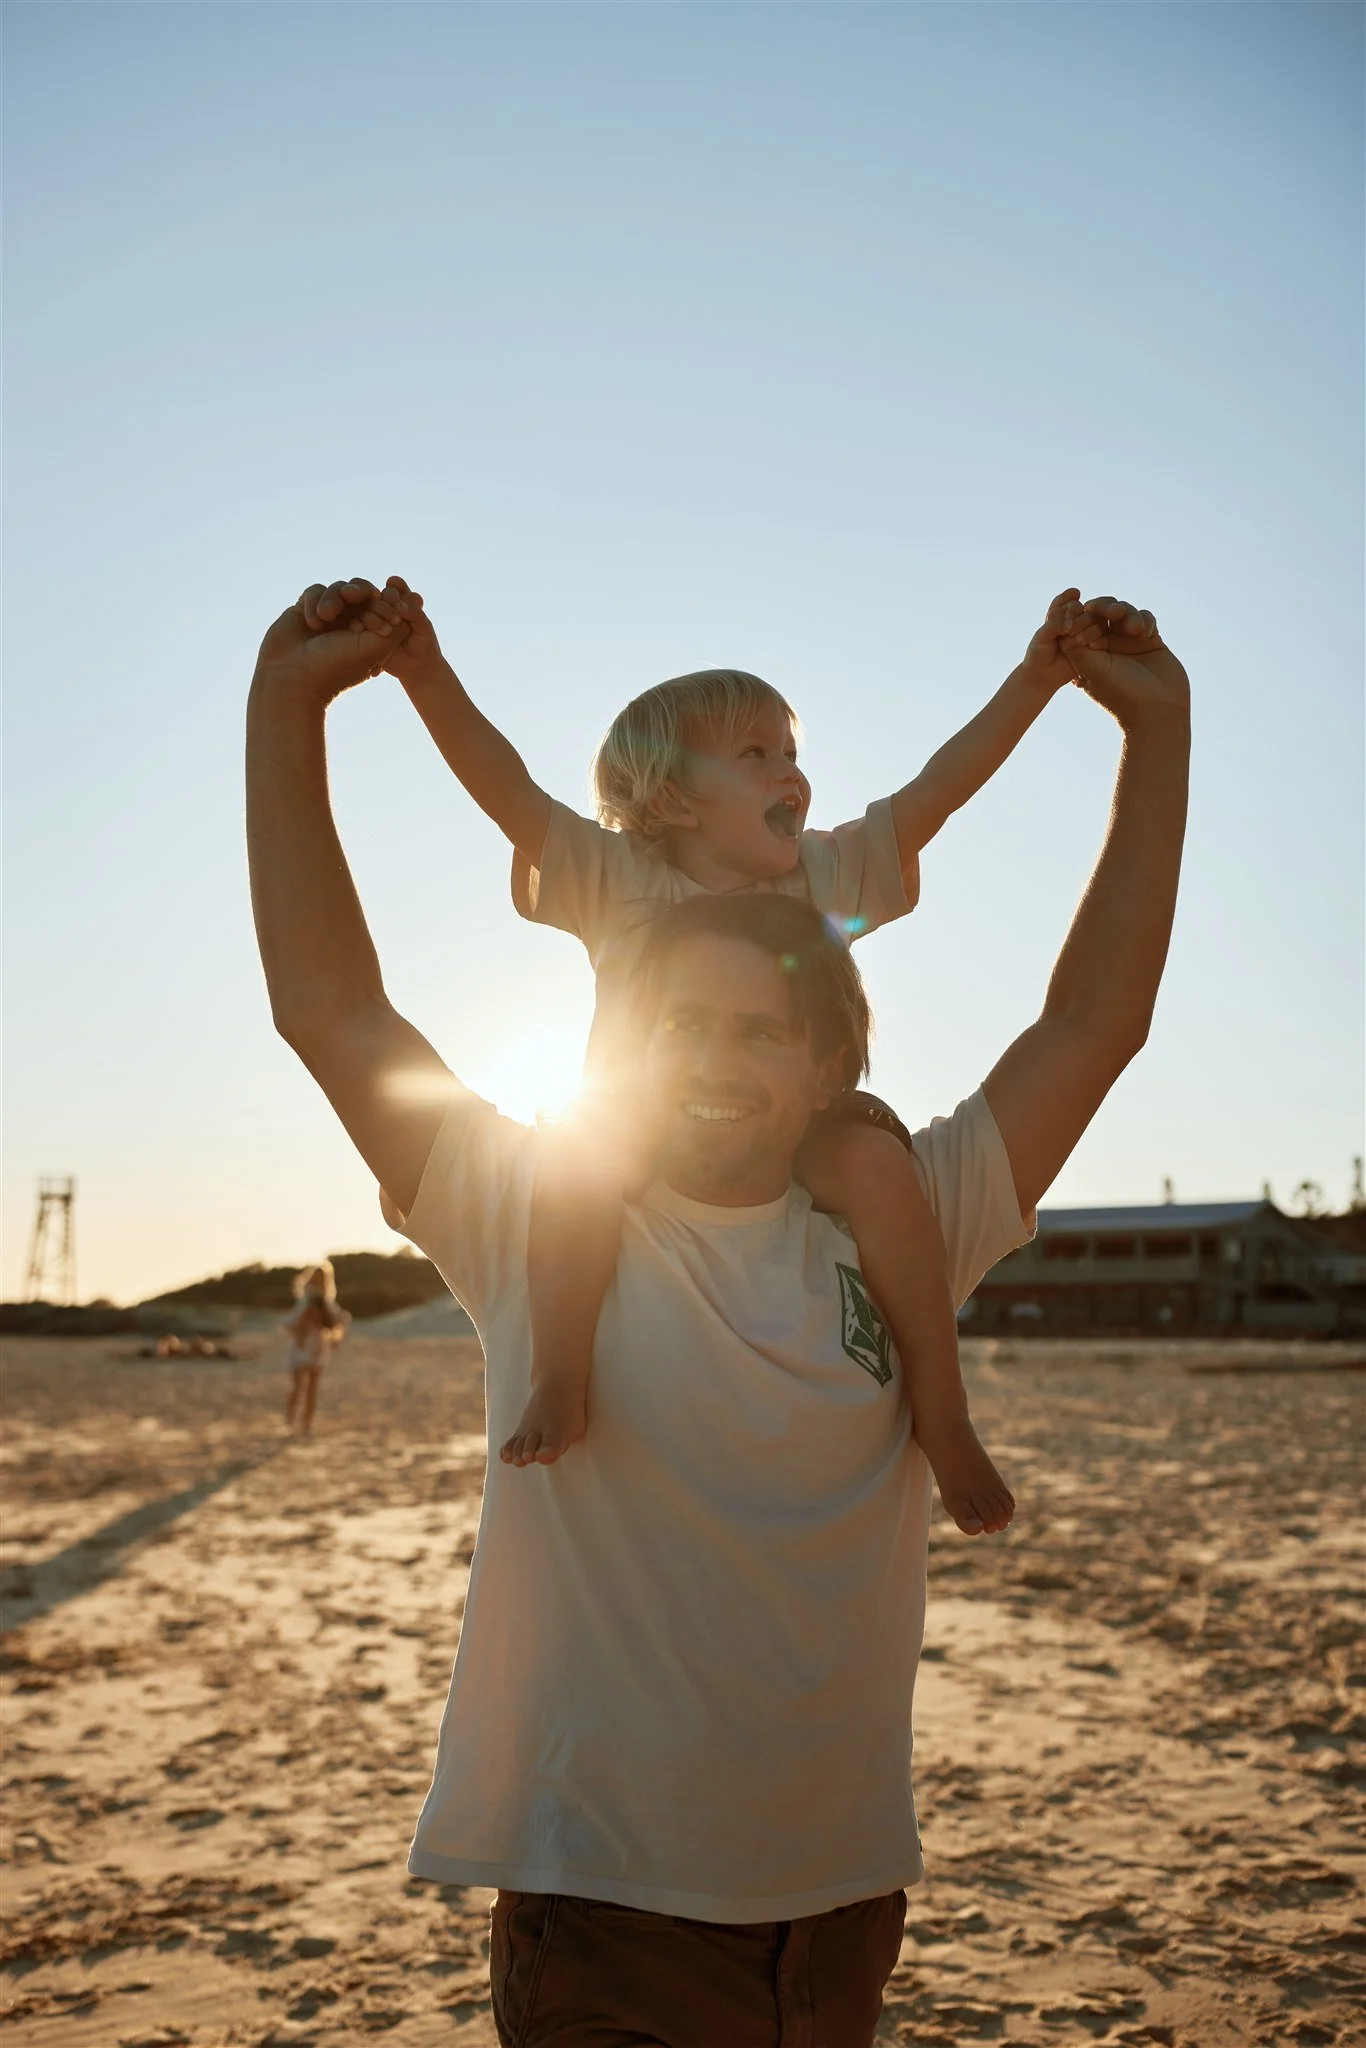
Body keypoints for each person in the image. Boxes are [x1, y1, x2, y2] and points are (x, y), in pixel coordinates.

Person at [246, 577, 1188, 2046]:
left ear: (827, 1067)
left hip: (843, 1916)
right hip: (608, 1917)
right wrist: (287, 708)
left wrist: (1153, 734)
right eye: (676, 1022)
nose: (715, 1055)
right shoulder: (535, 1215)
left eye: (764, 1030)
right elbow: (332, 1009)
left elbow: (1094, 1023)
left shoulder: (901, 1224)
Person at [305, 580, 1096, 1539]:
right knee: (576, 1165)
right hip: (641, 1116)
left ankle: (944, 1407)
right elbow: (502, 786)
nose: (789, 774)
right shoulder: (620, 876)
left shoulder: (825, 875)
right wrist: (422, 672)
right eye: (755, 754)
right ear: (672, 796)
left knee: (881, 1169)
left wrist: (1036, 680)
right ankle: (560, 1371)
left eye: (793, 754)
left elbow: (939, 790)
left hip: (799, 1121)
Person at [283, 1260, 349, 1435]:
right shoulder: (304, 1300)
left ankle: (307, 1423)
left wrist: (326, 1320)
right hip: (301, 1346)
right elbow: (291, 1324)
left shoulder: (327, 1302)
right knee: (297, 1386)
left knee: (312, 1388)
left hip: (318, 1347)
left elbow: (338, 1321)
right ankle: (290, 1419)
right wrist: (307, 1319)